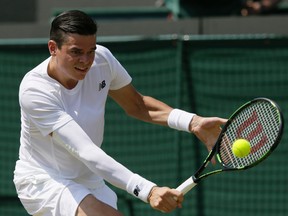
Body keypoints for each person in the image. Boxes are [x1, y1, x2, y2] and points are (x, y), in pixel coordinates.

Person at [13, 10, 227, 216]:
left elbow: (138, 105)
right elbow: (86, 151)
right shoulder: (35, 90)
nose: (86, 61)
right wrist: (148, 190)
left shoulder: (102, 60)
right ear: (53, 48)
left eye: (91, 51)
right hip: (43, 179)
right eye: (76, 52)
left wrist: (192, 122)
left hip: (89, 178)